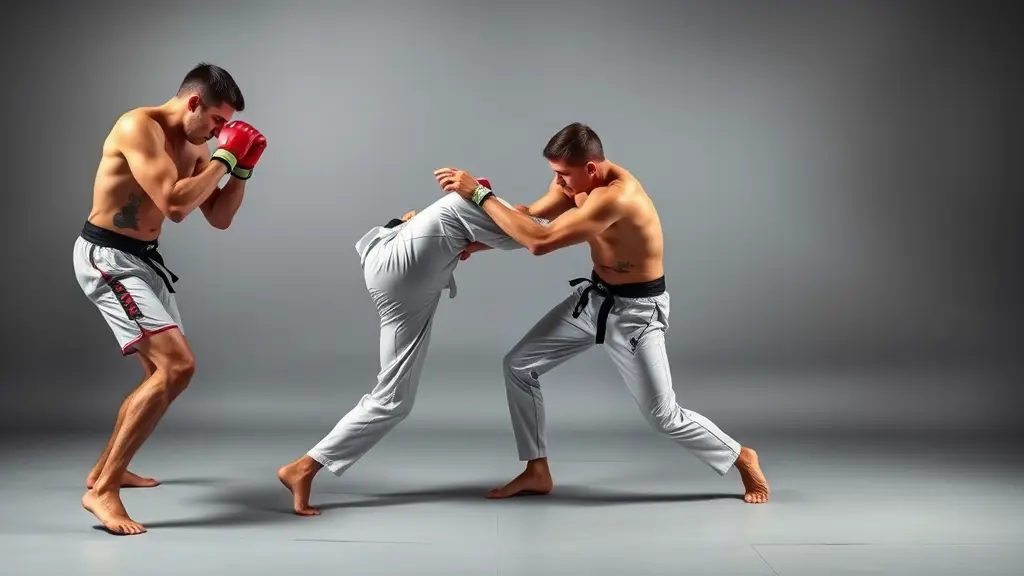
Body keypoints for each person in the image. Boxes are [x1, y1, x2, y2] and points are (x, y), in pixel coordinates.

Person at [433, 122, 770, 504]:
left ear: (590, 169)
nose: (557, 182)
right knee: (518, 365)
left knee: (662, 415)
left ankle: (741, 456)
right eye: (554, 173)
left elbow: (540, 242)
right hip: (594, 300)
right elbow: (529, 220)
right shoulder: (577, 183)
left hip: (636, 314)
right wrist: (463, 241)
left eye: (563, 174)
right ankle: (536, 470)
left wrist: (479, 194)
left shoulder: (617, 197)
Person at [72, 63, 267, 535]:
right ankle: (103, 492)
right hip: (107, 257)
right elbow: (176, 206)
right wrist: (226, 158)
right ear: (193, 102)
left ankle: (103, 471)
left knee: (161, 375)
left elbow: (219, 216)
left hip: (144, 260)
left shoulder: (197, 147)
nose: (219, 132)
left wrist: (242, 168)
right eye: (217, 121)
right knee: (178, 368)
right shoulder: (138, 127)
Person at [277, 181, 551, 516]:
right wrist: (482, 199)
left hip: (391, 262)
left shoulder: (471, 212)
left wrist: (467, 240)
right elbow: (537, 235)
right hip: (401, 264)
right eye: (561, 179)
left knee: (394, 400)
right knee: (533, 226)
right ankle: (304, 468)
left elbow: (525, 219)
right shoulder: (469, 205)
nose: (564, 183)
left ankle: (302, 469)